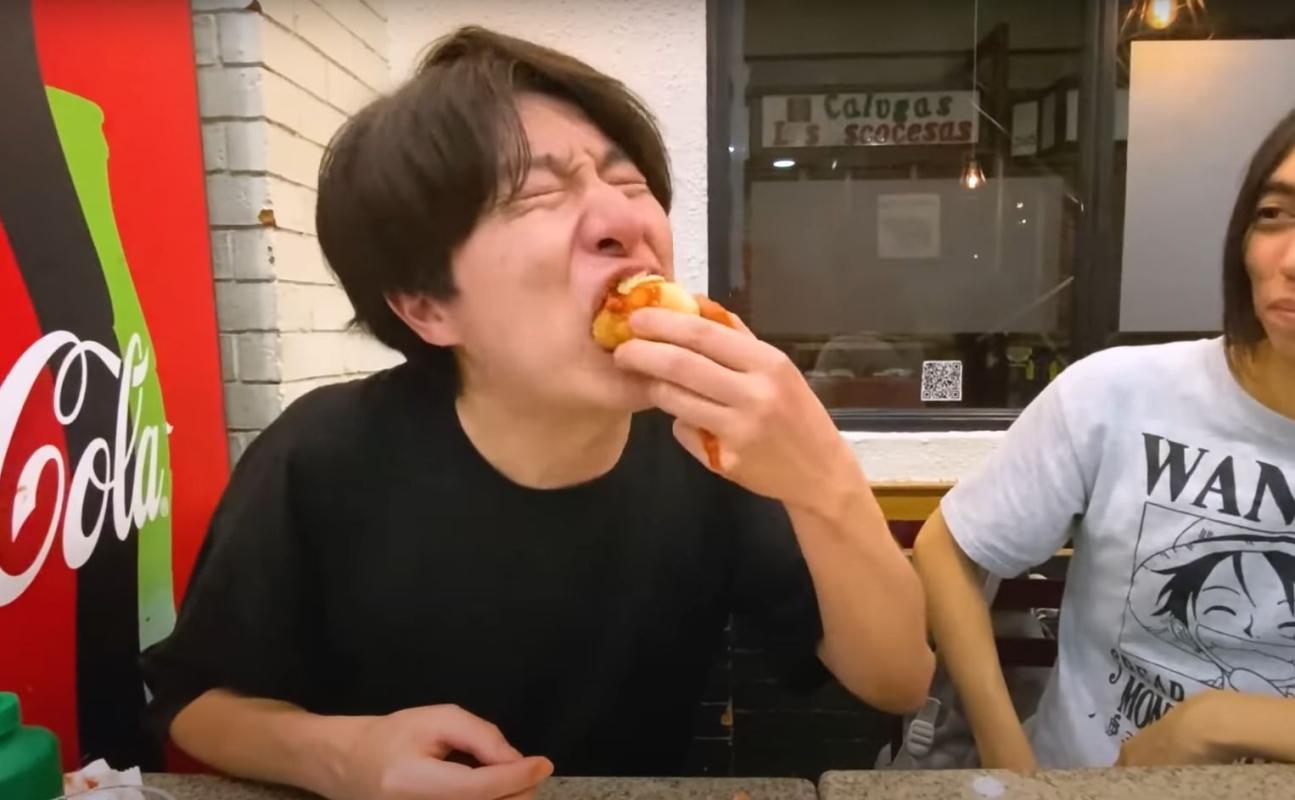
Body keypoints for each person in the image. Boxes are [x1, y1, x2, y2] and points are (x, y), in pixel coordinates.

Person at [141, 26, 933, 800]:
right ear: (427, 308)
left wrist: (820, 474)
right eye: (537, 194)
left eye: (630, 186)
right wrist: (343, 758)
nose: (625, 223)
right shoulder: (321, 452)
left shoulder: (706, 446)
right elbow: (193, 701)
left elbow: (897, 679)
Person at [912, 107, 1295, 769]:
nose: (1290, 259)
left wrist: (1218, 722)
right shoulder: (1118, 392)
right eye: (1273, 214)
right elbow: (947, 549)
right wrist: (1014, 766)